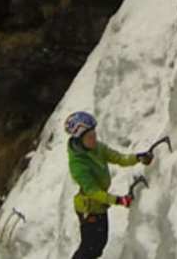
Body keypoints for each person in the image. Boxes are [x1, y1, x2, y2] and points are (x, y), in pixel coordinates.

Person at [65, 111, 154, 259]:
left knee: (98, 247)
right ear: (79, 140)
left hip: (99, 206)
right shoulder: (77, 164)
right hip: (88, 209)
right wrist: (118, 200)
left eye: (94, 134)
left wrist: (138, 157)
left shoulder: (96, 148)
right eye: (89, 137)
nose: (94, 139)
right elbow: (92, 191)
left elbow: (118, 158)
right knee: (89, 249)